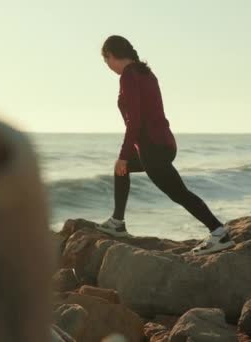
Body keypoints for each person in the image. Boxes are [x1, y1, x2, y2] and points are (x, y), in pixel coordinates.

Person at [97, 35, 235, 256]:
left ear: (112, 56)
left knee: (179, 193)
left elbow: (135, 120)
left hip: (153, 147)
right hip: (162, 143)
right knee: (121, 169)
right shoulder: (145, 73)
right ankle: (118, 222)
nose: (108, 67)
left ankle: (219, 232)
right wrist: (128, 156)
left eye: (106, 61)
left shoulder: (129, 76)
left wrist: (124, 153)